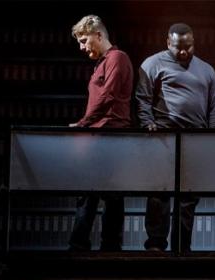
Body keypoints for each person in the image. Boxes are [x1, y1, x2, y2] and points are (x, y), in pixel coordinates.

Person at [136, 22, 215, 252]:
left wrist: (213, 139)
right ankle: (156, 243)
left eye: (188, 46)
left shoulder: (206, 70)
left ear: (194, 43)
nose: (183, 52)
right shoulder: (153, 63)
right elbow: (142, 97)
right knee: (159, 193)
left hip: (195, 139)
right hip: (163, 137)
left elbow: (214, 108)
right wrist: (147, 122)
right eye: (178, 47)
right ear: (168, 43)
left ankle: (182, 246)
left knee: (188, 197)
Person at [67, 15, 134, 252]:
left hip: (111, 135)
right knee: (89, 192)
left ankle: (107, 247)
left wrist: (84, 123)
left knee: (111, 195)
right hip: (98, 136)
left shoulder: (117, 57)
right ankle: (81, 244)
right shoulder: (102, 63)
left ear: (99, 35)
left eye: (84, 41)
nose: (82, 47)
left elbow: (108, 96)